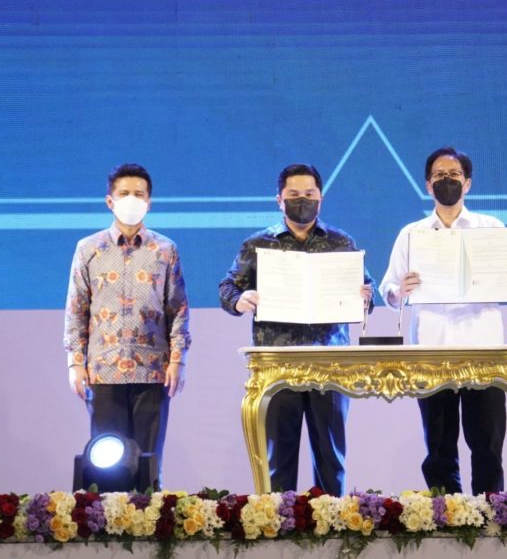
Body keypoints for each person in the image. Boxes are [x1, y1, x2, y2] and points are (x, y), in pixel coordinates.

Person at [379, 146, 507, 495]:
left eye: (453, 176)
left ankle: (491, 514)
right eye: (438, 176)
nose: (445, 181)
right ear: (427, 185)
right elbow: (388, 288)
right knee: (438, 447)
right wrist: (398, 290)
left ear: (467, 184)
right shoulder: (412, 234)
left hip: (484, 351)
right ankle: (446, 514)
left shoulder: (490, 228)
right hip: (431, 351)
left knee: (487, 445)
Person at [219, 163, 373, 496]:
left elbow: (367, 289)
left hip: (329, 364)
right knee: (279, 459)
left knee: (331, 458)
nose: (301, 200)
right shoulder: (258, 244)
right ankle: (279, 528)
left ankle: (335, 531)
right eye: (293, 195)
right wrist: (240, 299)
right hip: (278, 363)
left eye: (309, 194)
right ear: (279, 199)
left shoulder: (340, 242)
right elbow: (228, 287)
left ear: (321, 198)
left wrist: (364, 297)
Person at [63, 163, 190, 486]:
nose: (131, 200)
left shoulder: (165, 250)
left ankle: (152, 530)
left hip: (153, 370)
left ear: (149, 202)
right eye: (124, 194)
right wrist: (75, 363)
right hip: (103, 369)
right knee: (105, 468)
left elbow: (178, 309)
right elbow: (77, 309)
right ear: (110, 200)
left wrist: (178, 360)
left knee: (148, 464)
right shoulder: (88, 249)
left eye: (139, 194)